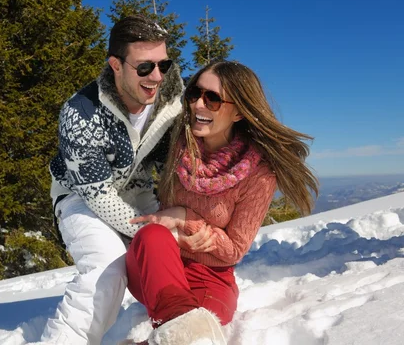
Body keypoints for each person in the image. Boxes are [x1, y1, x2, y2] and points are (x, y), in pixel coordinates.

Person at [126, 60, 319, 345]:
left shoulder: (259, 174)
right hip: (155, 265)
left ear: (239, 111)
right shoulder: (176, 143)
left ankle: (176, 332)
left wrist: (185, 217)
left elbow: (235, 250)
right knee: (152, 235)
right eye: (195, 93)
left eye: (213, 98)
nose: (198, 105)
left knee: (202, 325)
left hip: (209, 279)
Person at [41, 15, 185, 344]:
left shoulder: (171, 101)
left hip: (137, 189)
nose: (157, 77)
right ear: (116, 65)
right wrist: (150, 229)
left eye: (164, 64)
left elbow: (174, 166)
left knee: (179, 249)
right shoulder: (82, 113)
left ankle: (181, 324)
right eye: (144, 67)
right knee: (109, 265)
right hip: (80, 195)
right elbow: (98, 195)